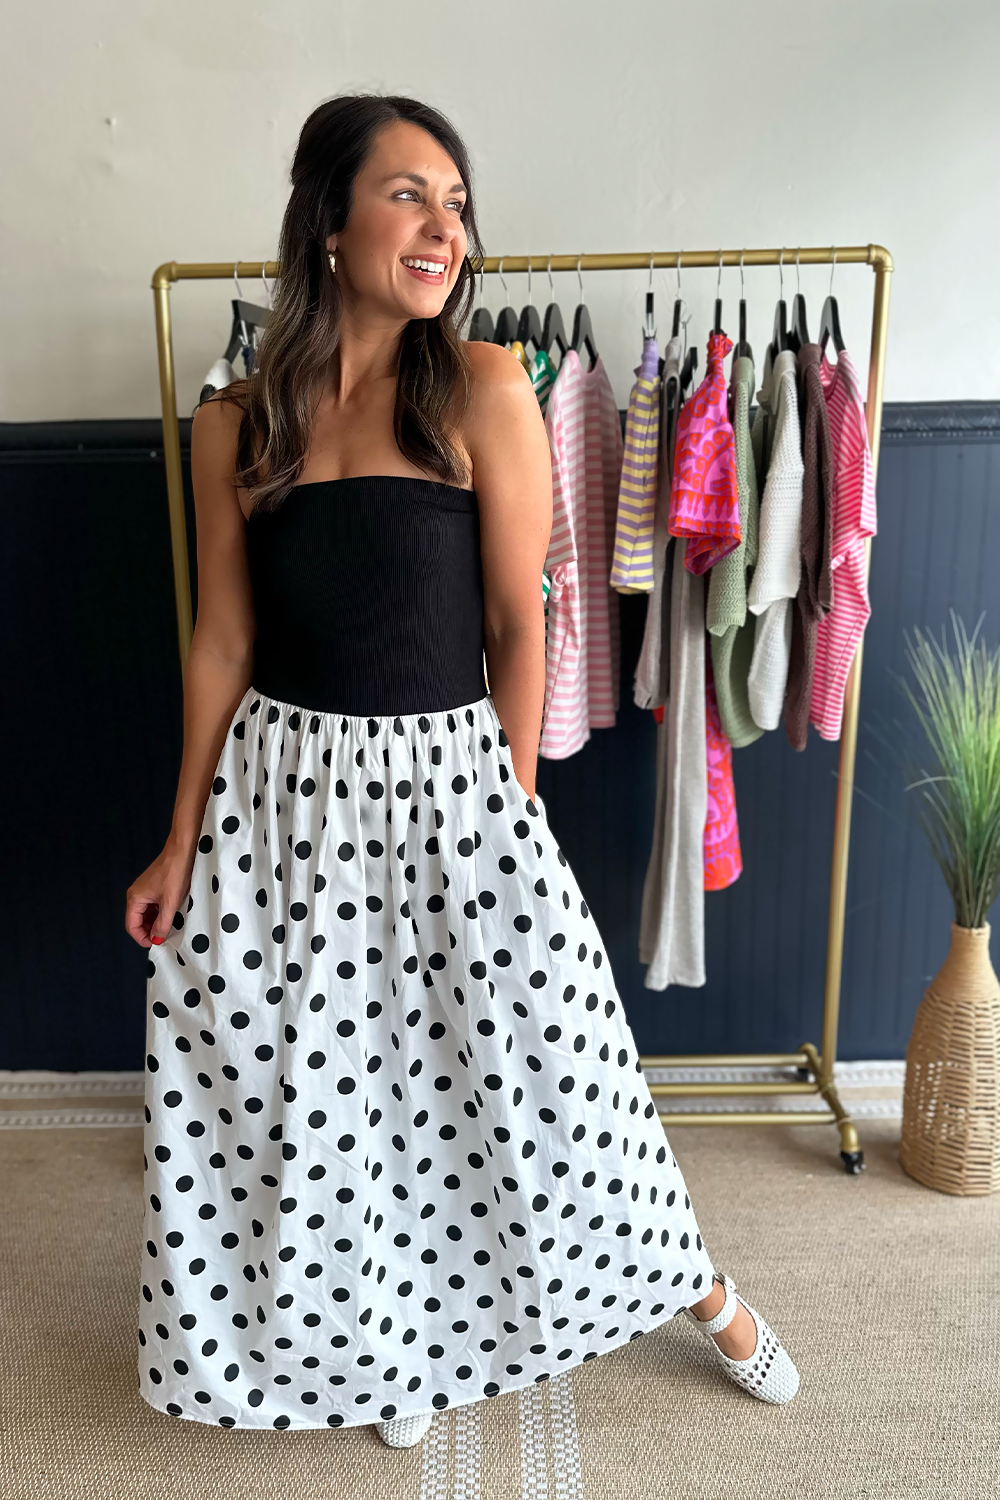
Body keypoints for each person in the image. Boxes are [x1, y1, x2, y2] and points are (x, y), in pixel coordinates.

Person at [125, 92, 799, 1451]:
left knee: (560, 1080)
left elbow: (518, 623)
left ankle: (707, 1293)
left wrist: (514, 809)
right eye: (409, 195)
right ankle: (392, 1356)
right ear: (328, 223)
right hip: (282, 802)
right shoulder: (234, 423)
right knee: (332, 1094)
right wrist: (181, 834)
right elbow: (224, 639)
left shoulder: (487, 387)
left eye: (458, 203)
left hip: (453, 788)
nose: (446, 227)